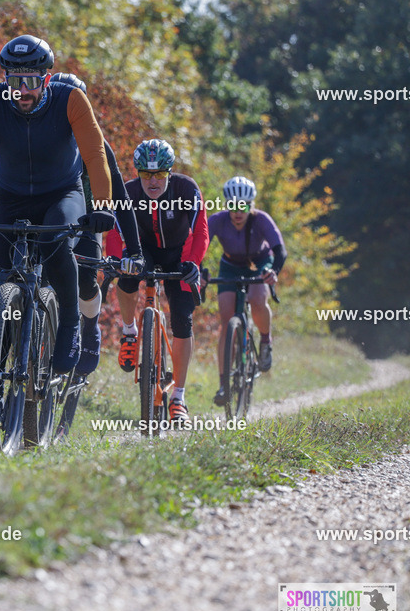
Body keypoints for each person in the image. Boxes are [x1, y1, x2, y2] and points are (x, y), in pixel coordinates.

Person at [0, 34, 117, 381]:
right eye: (14, 82)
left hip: (62, 194)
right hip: (10, 198)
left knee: (54, 242)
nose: (22, 91)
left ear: (46, 79)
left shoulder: (70, 99)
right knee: (1, 284)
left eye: (31, 81)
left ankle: (71, 325)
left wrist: (102, 205)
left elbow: (94, 154)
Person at [0, 72, 144, 376]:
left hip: (84, 222)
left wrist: (134, 250)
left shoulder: (96, 143)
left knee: (83, 277)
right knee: (8, 285)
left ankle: (88, 327)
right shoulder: (33, 136)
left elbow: (121, 199)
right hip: (37, 216)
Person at [107, 139, 208, 422]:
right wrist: (116, 259)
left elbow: (200, 231)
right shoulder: (126, 192)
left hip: (180, 254)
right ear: (138, 172)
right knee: (126, 277)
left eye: (160, 174)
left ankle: (179, 398)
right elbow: (115, 233)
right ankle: (129, 332)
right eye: (146, 174)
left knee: (183, 321)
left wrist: (193, 263)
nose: (153, 181)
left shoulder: (187, 189)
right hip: (144, 250)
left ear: (170, 172)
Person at [208, 176, 287, 405]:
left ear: (250, 205)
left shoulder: (261, 220)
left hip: (260, 263)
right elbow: (199, 244)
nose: (237, 212)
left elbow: (280, 251)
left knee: (257, 297)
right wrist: (199, 270)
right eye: (232, 206)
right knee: (226, 319)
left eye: (242, 206)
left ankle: (265, 340)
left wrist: (274, 271)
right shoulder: (218, 220)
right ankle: (224, 384)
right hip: (230, 265)